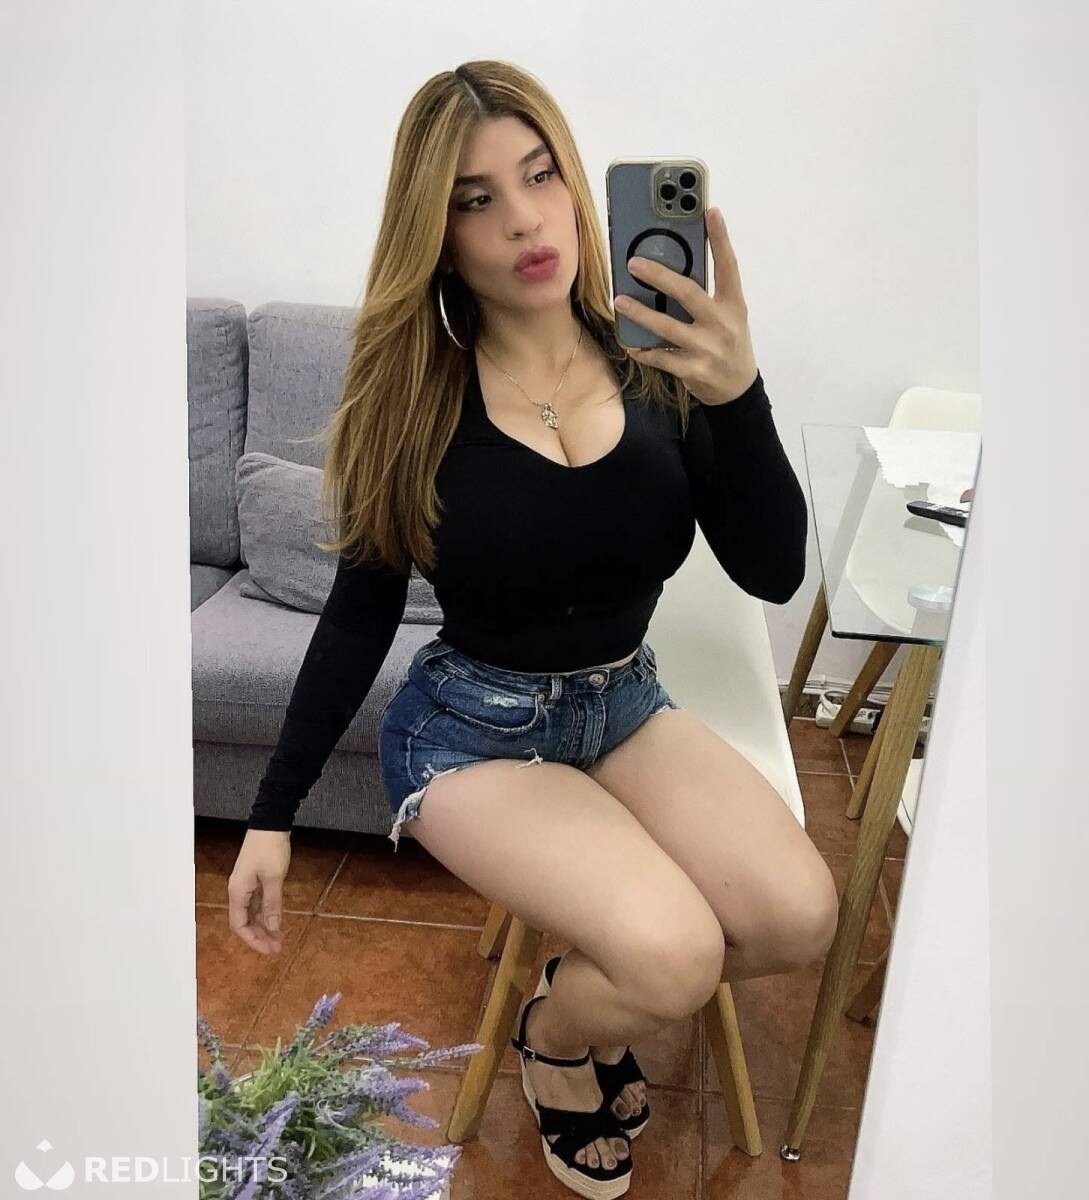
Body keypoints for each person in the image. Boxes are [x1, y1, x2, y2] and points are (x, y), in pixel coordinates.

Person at [227, 60, 839, 1199]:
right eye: (475, 199)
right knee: (674, 955)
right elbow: (359, 616)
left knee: (798, 918)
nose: (522, 219)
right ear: (437, 235)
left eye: (540, 175)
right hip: (472, 732)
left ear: (576, 186)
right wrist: (273, 815)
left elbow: (773, 569)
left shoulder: (661, 364)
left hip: (623, 702)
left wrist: (739, 393)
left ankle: (581, 982)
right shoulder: (414, 398)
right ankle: (554, 1040)